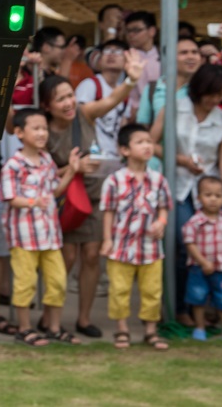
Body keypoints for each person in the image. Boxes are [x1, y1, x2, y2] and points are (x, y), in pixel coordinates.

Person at [38, 49, 142, 340]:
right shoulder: (41, 130)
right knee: (67, 257)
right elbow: (40, 173)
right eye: (61, 99)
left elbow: (111, 100)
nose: (69, 102)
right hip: (63, 202)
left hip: (94, 196)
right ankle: (50, 318)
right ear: (47, 106)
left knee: (93, 255)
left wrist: (131, 80)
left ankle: (83, 319)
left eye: (70, 95)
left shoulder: (84, 113)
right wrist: (71, 169)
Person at [150, 64, 222, 325]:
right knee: (181, 242)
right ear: (199, 89)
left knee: (213, 248)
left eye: (221, 95)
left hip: (209, 191)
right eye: (211, 93)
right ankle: (180, 307)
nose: (215, 100)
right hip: (177, 186)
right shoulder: (175, 108)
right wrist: (180, 160)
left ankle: (206, 308)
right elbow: (150, 144)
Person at [0, 109, 82, 347]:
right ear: (19, 133)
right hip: (24, 236)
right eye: (35, 128)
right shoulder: (14, 165)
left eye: (44, 128)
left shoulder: (47, 160)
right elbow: (10, 197)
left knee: (57, 281)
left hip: (49, 234)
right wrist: (33, 202)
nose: (42, 133)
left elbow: (55, 191)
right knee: (25, 283)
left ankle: (53, 328)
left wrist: (72, 170)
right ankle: (24, 328)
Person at [100, 123, 172, 351]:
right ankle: (122, 329)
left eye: (149, 142)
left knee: (152, 291)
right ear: (124, 150)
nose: (147, 146)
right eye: (140, 142)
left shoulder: (158, 180)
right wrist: (107, 239)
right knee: (119, 290)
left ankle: (151, 331)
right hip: (121, 247)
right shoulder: (114, 181)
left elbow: (164, 207)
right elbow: (108, 212)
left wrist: (161, 222)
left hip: (151, 248)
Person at [182, 176, 222, 342]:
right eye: (208, 195)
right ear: (199, 198)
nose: (213, 199)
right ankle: (200, 328)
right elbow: (189, 243)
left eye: (218, 196)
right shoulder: (195, 222)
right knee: (198, 299)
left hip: (220, 269)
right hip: (199, 268)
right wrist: (203, 262)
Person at [135, 35, 202, 129]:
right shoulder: (153, 88)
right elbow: (143, 125)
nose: (191, 57)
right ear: (170, 57)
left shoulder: (204, 88)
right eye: (184, 53)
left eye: (195, 52)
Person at [123, 11, 161, 121]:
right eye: (128, 31)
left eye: (136, 30)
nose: (131, 35)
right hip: (133, 116)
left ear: (152, 31)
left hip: (161, 114)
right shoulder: (124, 56)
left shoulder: (165, 57)